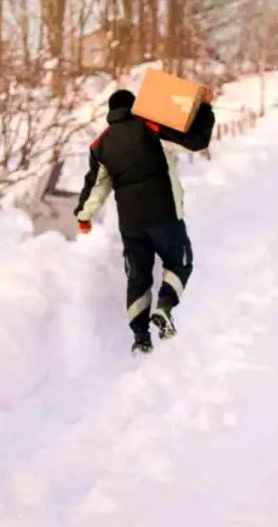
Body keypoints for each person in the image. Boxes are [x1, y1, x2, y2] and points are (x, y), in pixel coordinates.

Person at [74, 88, 215, 355]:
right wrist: (205, 108)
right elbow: (197, 141)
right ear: (135, 106)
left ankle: (141, 338)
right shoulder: (151, 126)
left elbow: (96, 186)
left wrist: (84, 216)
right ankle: (165, 306)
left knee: (138, 277)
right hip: (165, 215)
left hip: (131, 225)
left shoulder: (101, 145)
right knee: (179, 261)